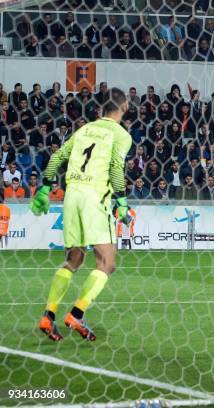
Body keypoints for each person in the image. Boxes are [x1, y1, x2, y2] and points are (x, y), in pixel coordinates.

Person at [32, 87, 132, 342]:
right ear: (125, 107)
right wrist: (121, 200)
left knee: (74, 260)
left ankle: (48, 314)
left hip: (71, 195)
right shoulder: (121, 135)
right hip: (94, 197)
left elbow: (57, 157)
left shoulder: (83, 129)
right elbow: (115, 168)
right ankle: (76, 313)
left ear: (99, 107)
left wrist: (44, 187)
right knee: (107, 262)